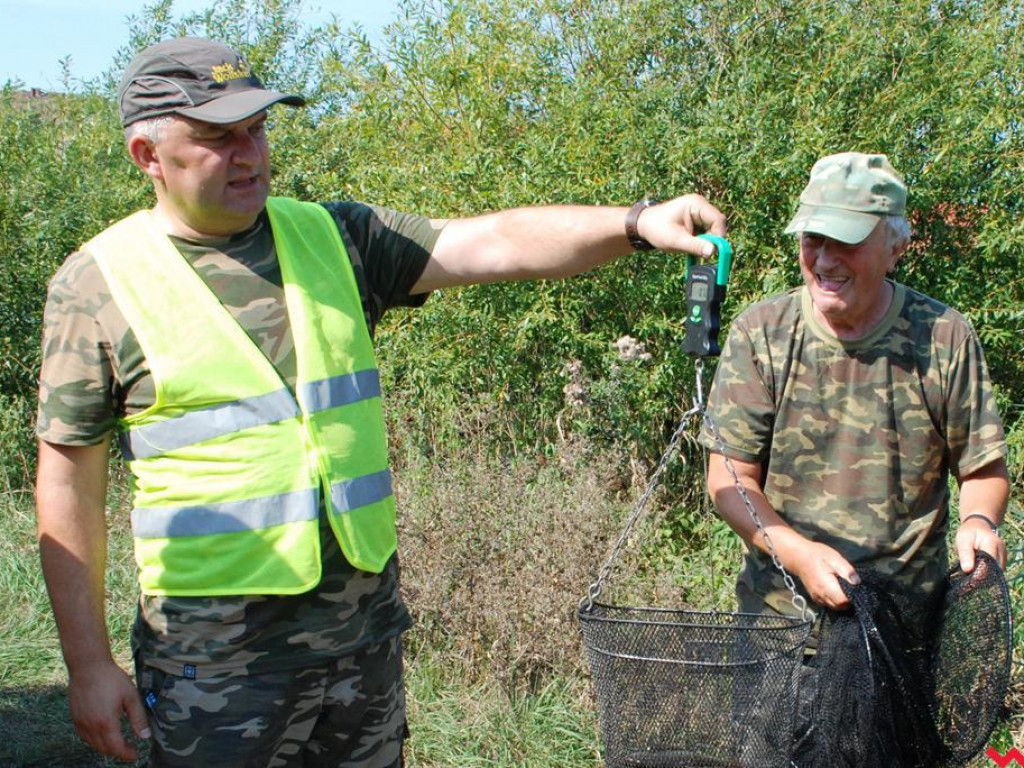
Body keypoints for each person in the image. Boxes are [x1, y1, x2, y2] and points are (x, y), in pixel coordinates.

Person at [34, 36, 727, 767]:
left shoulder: (336, 237)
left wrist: (634, 225)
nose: (251, 154)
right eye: (218, 138)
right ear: (147, 155)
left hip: (361, 646)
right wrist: (89, 664)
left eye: (258, 128)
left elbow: (490, 243)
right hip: (215, 668)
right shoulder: (97, 284)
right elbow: (67, 483)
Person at [700, 152, 1008, 759]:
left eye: (845, 242)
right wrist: (798, 552)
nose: (824, 259)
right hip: (778, 635)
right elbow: (729, 478)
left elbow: (982, 468)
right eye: (813, 239)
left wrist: (979, 522)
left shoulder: (942, 335)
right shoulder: (763, 332)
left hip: (901, 642)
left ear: (895, 246)